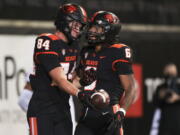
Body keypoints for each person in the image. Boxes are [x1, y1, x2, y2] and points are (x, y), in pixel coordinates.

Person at [27, 3, 92, 135]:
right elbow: (58, 81)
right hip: (42, 109)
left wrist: (83, 82)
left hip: (63, 109)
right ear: (64, 21)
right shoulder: (47, 41)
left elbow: (69, 82)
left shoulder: (74, 46)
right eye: (75, 24)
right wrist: (80, 94)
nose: (78, 29)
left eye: (80, 26)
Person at [74, 11, 137, 135]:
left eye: (97, 28)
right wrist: (82, 82)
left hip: (109, 116)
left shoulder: (119, 51)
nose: (92, 31)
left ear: (109, 31)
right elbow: (76, 83)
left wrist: (122, 111)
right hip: (87, 115)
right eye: (91, 27)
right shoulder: (86, 52)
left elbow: (130, 87)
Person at [150, 63, 180, 135]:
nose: (170, 75)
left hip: (178, 123)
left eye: (172, 72)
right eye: (168, 73)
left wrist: (177, 97)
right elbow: (155, 103)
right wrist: (161, 96)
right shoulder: (160, 88)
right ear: (164, 73)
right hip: (165, 124)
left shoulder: (179, 86)